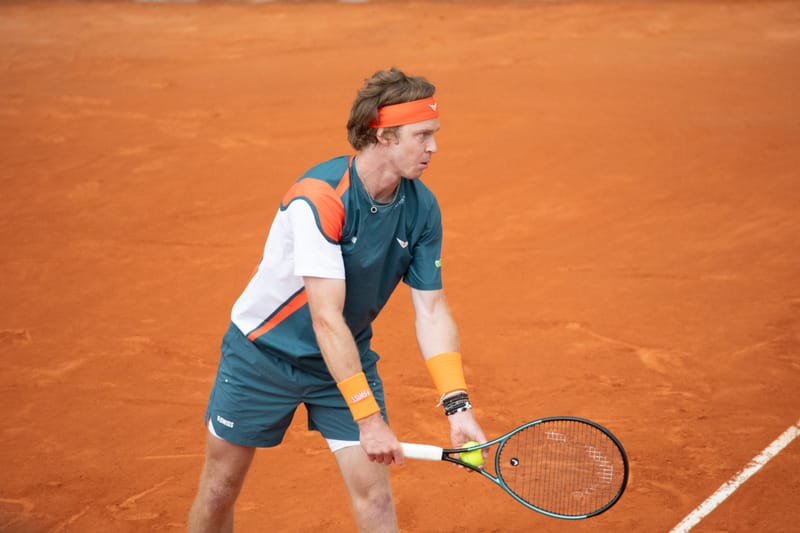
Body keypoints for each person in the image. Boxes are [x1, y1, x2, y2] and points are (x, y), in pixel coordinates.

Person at [188, 67, 486, 533]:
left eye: (435, 135)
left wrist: (457, 404)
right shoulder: (321, 198)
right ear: (384, 135)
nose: (434, 148)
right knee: (220, 489)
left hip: (344, 362)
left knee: (376, 499)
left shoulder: (422, 207)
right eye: (422, 135)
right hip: (261, 356)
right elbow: (325, 318)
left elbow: (431, 309)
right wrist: (368, 420)